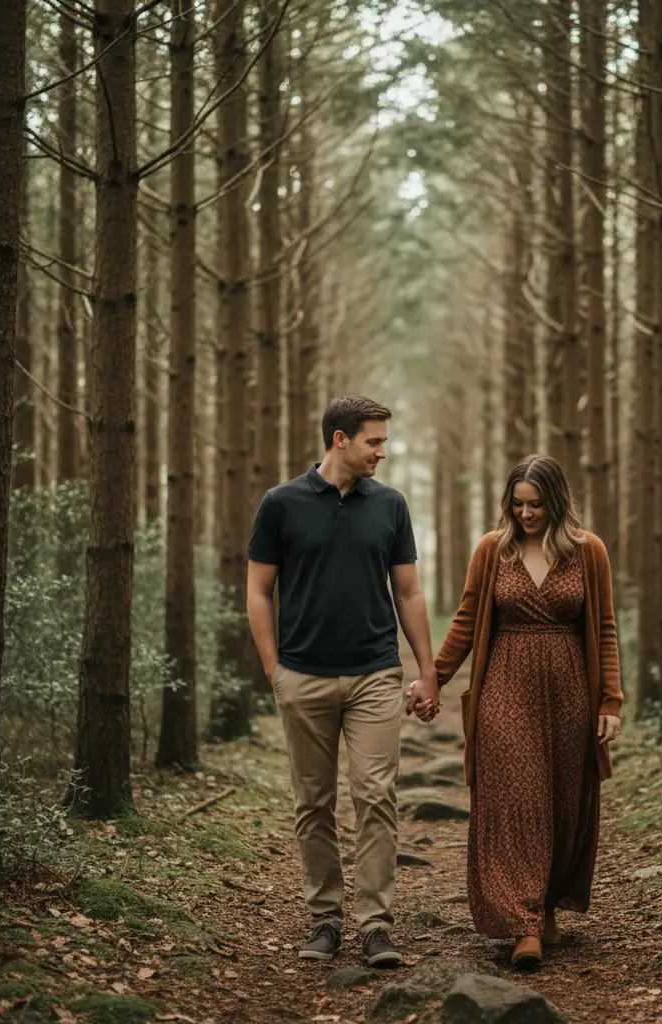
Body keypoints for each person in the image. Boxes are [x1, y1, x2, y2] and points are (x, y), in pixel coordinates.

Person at [246, 395, 440, 967]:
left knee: (376, 798)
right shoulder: (280, 504)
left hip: (375, 676)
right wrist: (273, 670)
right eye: (373, 441)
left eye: (384, 441)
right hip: (302, 678)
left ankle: (376, 926)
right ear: (339, 439)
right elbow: (259, 591)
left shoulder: (391, 505)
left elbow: (408, 591)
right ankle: (325, 921)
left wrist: (427, 670)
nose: (383, 451)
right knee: (314, 804)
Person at [434, 454, 624, 969]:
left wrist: (611, 701)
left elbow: (604, 627)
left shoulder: (589, 552)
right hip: (505, 686)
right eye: (517, 504)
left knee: (563, 801)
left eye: (536, 504)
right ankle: (522, 924)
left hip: (569, 691)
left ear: (557, 502)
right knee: (517, 798)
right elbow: (467, 620)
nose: (526, 514)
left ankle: (545, 906)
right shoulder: (492, 550)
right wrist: (434, 678)